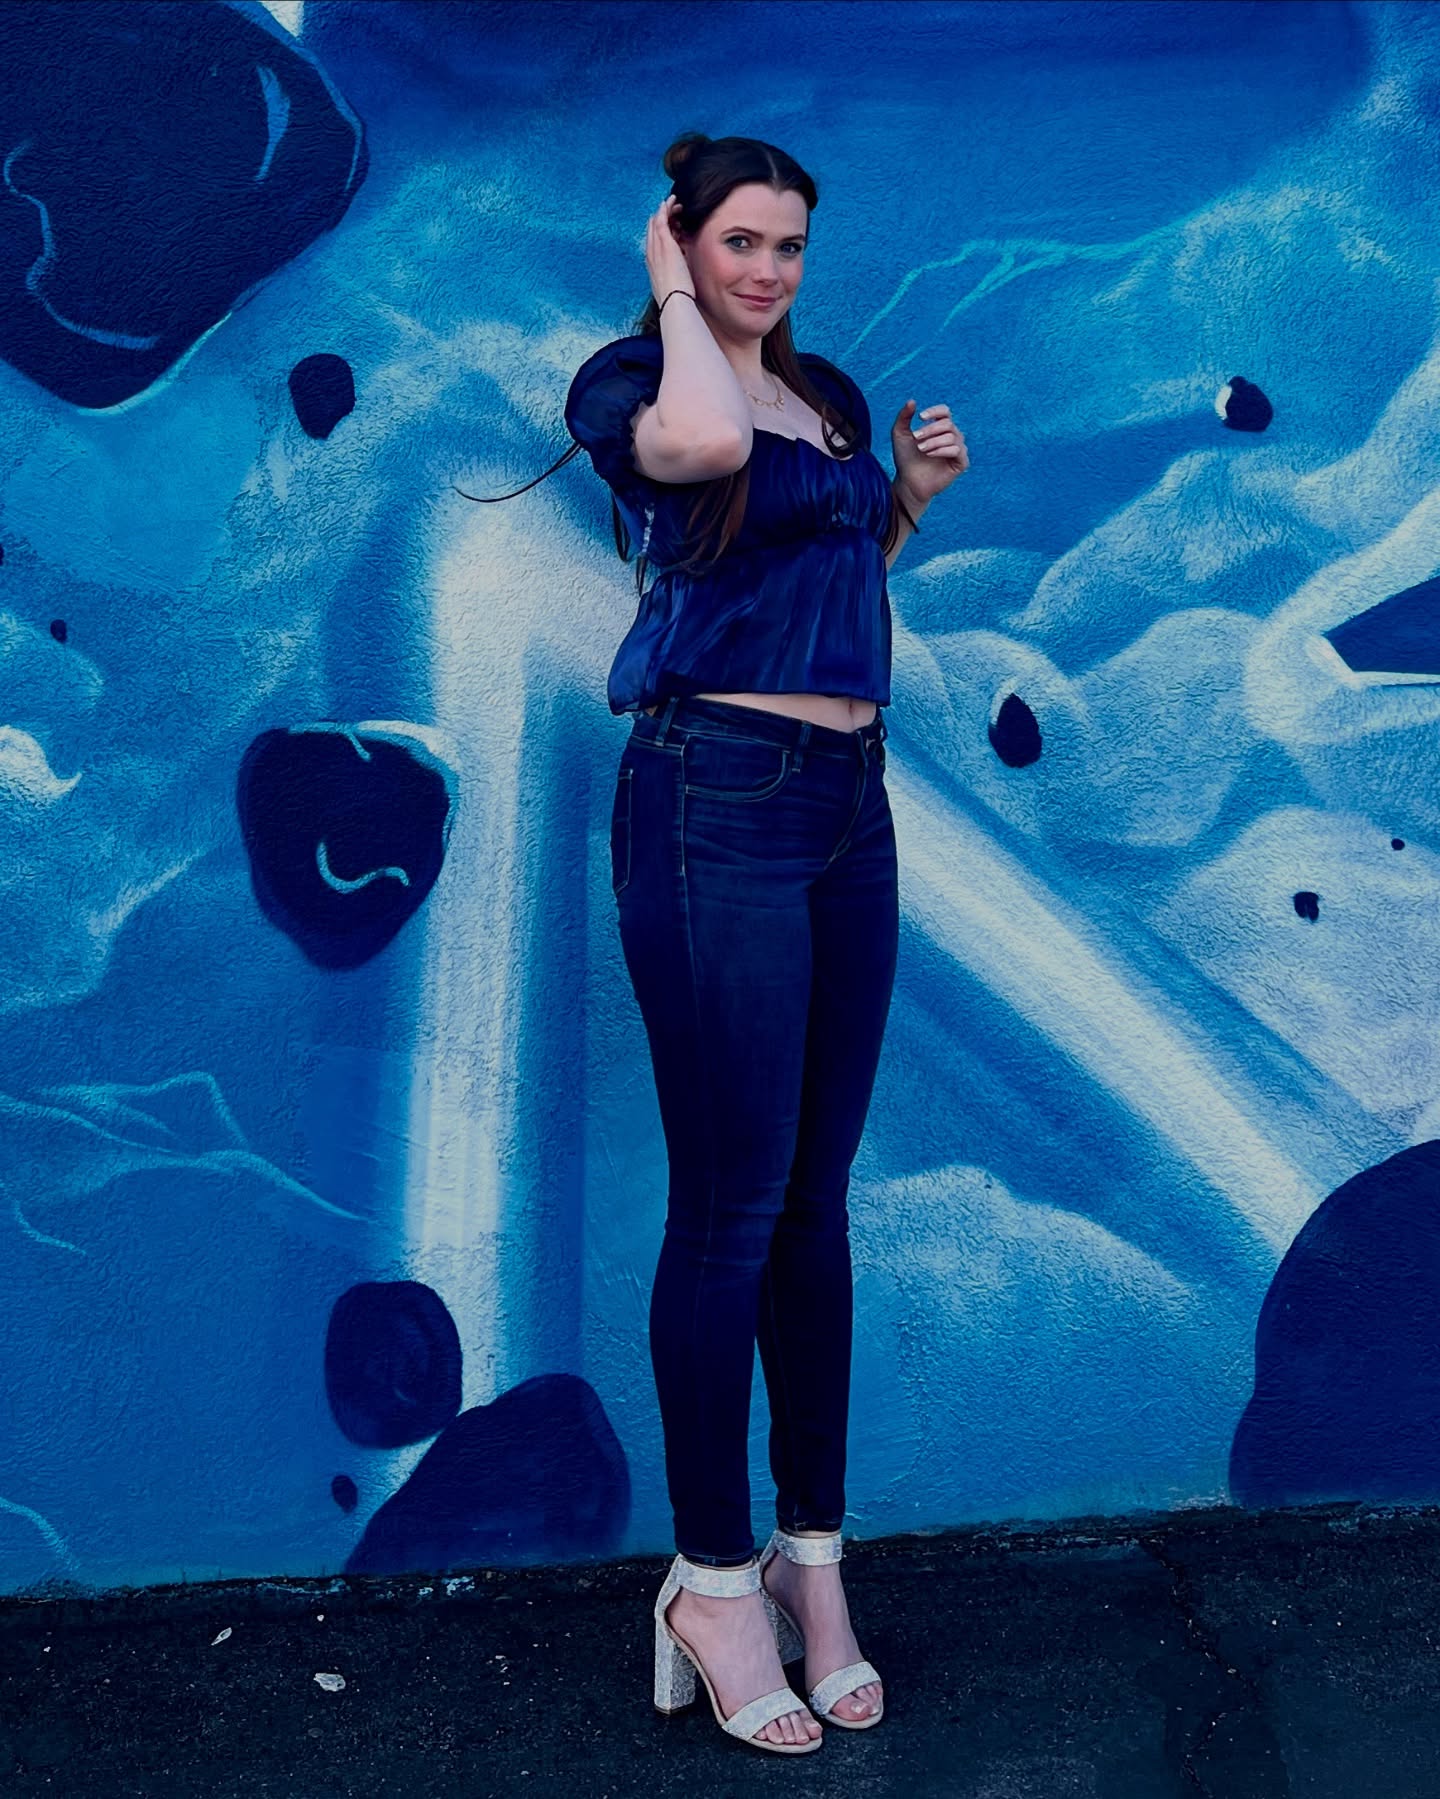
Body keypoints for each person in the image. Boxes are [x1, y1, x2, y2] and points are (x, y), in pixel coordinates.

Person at [474, 130, 967, 1756]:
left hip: (848, 806)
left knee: (815, 1204)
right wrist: (672, 298)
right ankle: (709, 1579)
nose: (769, 270)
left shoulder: (826, 396)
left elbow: (820, 587)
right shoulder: (634, 384)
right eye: (739, 241)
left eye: (789, 247)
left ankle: (813, 1563)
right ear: (682, 240)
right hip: (713, 802)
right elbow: (697, 445)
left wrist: (902, 503)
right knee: (732, 1205)